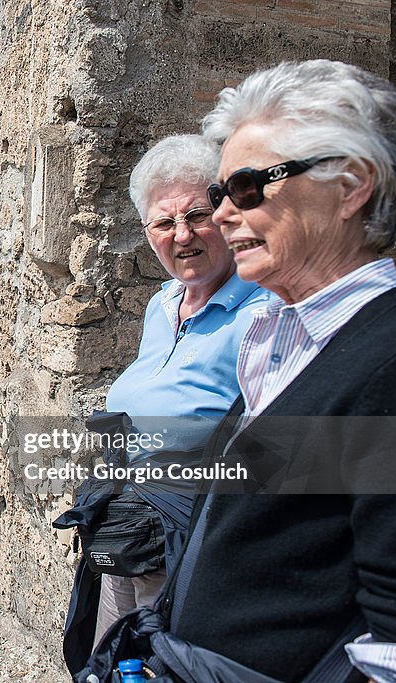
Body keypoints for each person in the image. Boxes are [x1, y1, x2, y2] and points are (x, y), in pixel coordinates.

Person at [99, 60, 396, 683]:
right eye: (221, 195)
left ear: (351, 186)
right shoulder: (281, 336)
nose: (219, 217)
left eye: (245, 188)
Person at [59, 136, 271, 664]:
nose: (182, 235)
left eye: (197, 215)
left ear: (227, 215)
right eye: (163, 223)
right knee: (109, 658)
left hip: (188, 542)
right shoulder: (162, 303)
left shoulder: (264, 314)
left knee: (166, 664)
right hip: (128, 526)